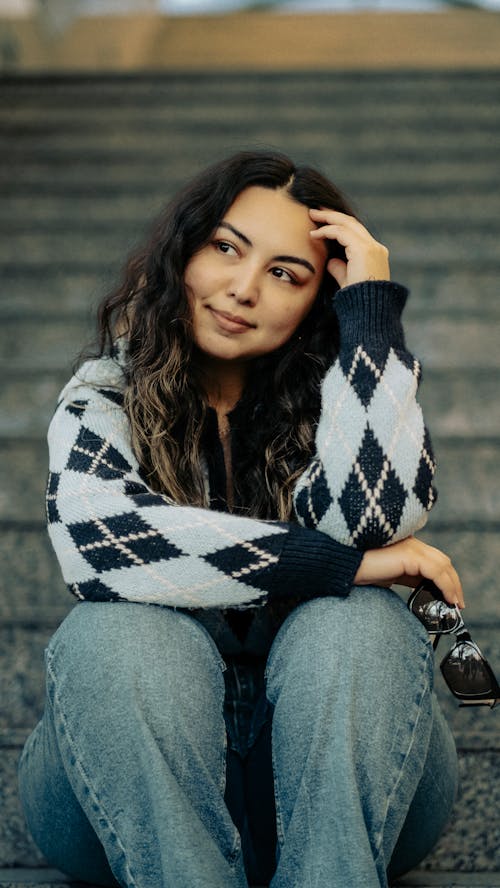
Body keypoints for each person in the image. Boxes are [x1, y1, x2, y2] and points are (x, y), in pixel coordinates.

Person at [18, 150, 462, 888]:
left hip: (336, 788)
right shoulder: (103, 396)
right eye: (226, 247)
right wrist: (338, 564)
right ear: (182, 251)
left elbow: (377, 517)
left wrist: (372, 316)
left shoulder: (342, 400)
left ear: (320, 299)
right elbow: (104, 543)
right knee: (114, 630)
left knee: (362, 622)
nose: (242, 289)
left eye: (287, 273)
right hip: (132, 789)